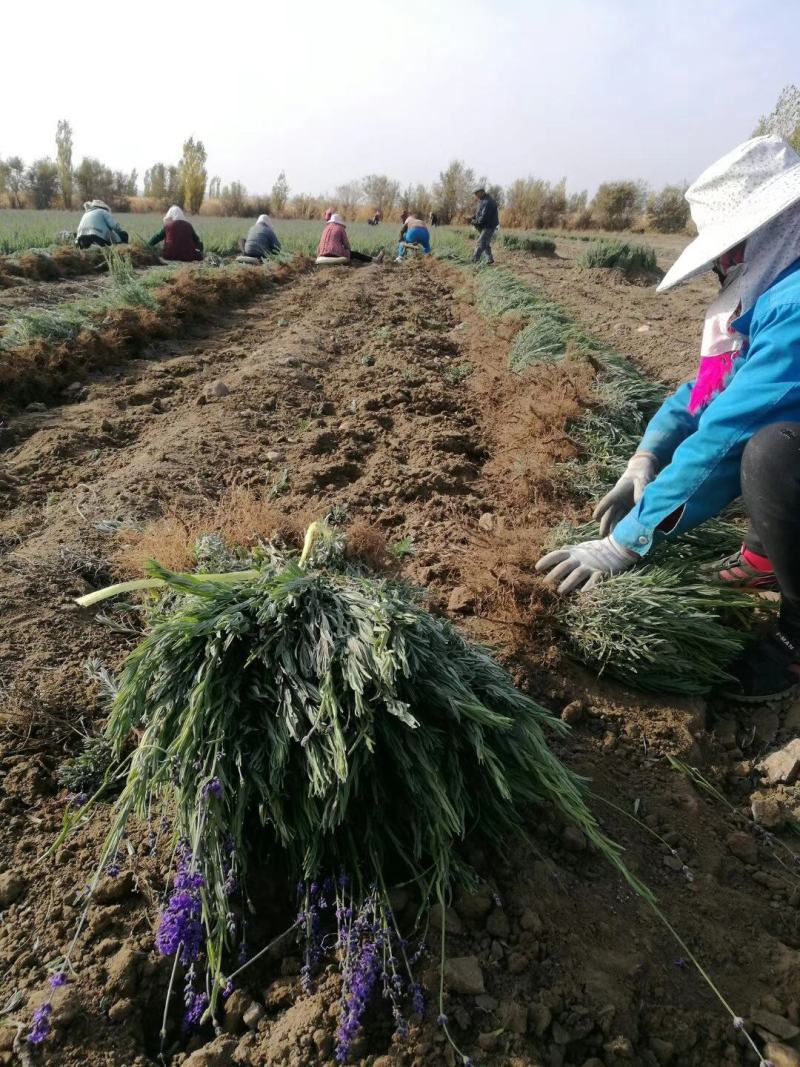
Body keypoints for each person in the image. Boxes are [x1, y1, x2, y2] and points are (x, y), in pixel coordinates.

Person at [535, 135, 800, 704]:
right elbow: (709, 391)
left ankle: (796, 640)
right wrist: (646, 455)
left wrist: (626, 542)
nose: (723, 267)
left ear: (773, 228)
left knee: (774, 451)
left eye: (728, 252)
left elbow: (726, 434)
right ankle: (764, 555)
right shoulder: (779, 293)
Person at [316, 214, 384, 265]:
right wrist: (348, 251)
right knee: (355, 254)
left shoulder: (325, 228)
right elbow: (346, 245)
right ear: (339, 222)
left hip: (321, 254)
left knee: (349, 254)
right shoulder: (340, 228)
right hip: (334, 254)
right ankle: (375, 260)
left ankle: (373, 260)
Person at [471, 187, 499, 265]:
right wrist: (473, 217)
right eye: (475, 194)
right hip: (485, 226)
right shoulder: (482, 200)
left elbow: (484, 217)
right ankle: (489, 259)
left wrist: (475, 222)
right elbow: (479, 212)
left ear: (482, 192)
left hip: (489, 226)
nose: (476, 195)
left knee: (480, 242)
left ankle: (474, 260)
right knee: (485, 243)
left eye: (477, 193)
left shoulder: (488, 202)